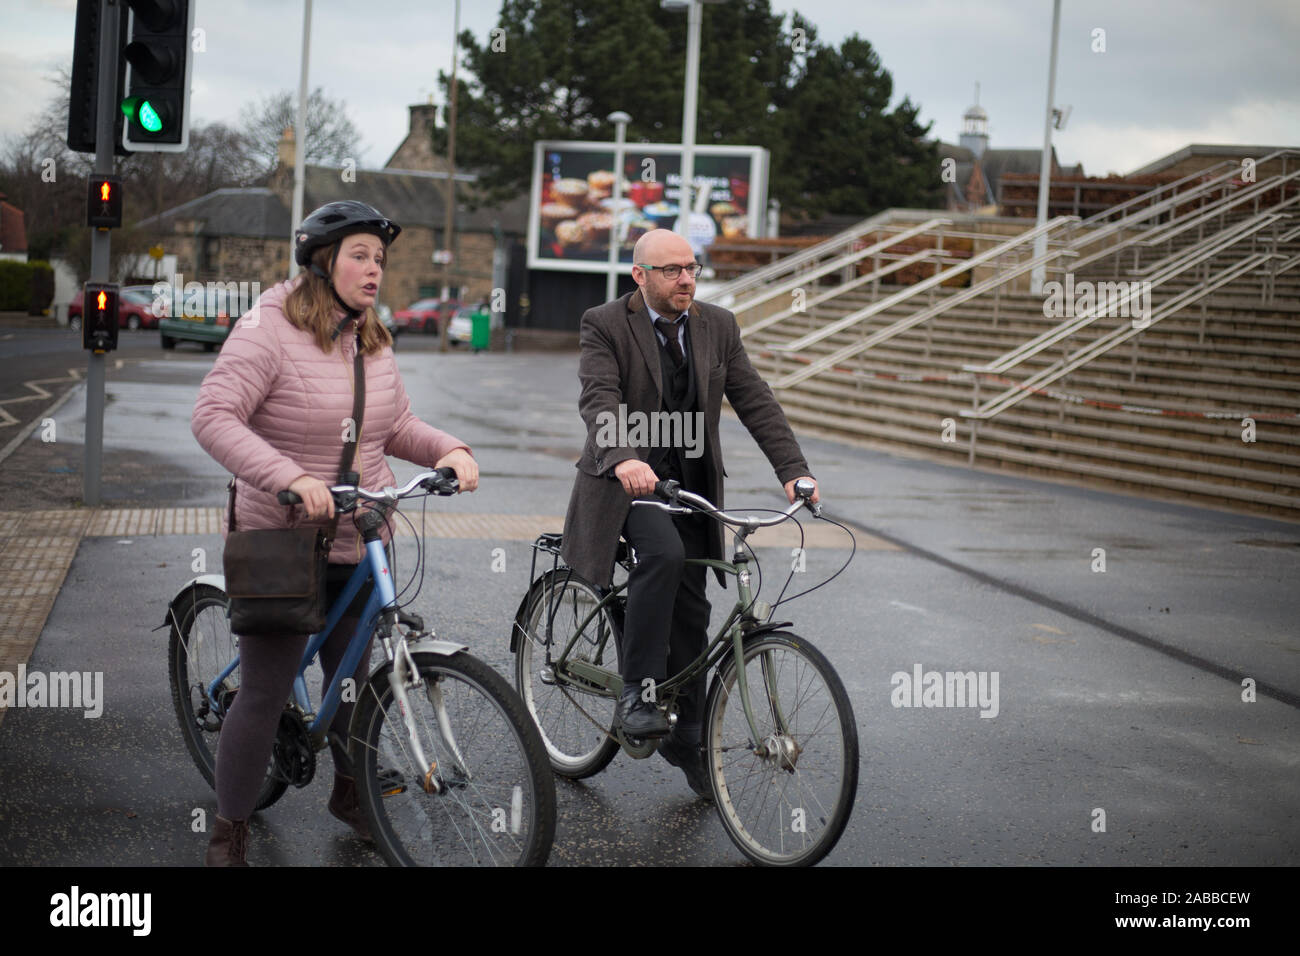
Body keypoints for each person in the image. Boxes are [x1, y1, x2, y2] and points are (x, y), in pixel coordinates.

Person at [191, 200, 478, 865]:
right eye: (359, 255)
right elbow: (214, 415)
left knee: (354, 679)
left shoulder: (371, 336)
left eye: (380, 259)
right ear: (323, 261)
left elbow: (396, 427)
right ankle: (227, 833)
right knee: (265, 690)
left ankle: (353, 795)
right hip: (282, 537)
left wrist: (450, 449)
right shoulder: (269, 325)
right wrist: (287, 476)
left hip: (359, 533)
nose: (374, 269)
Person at [561, 228, 817, 797]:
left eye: (692, 268)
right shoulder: (604, 323)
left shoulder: (717, 324)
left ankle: (690, 737)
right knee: (663, 553)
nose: (686, 279)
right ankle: (637, 691)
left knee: (696, 609)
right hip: (624, 481)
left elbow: (753, 396)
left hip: (691, 485)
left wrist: (793, 469)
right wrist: (624, 455)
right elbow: (598, 396)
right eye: (673, 270)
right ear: (640, 276)